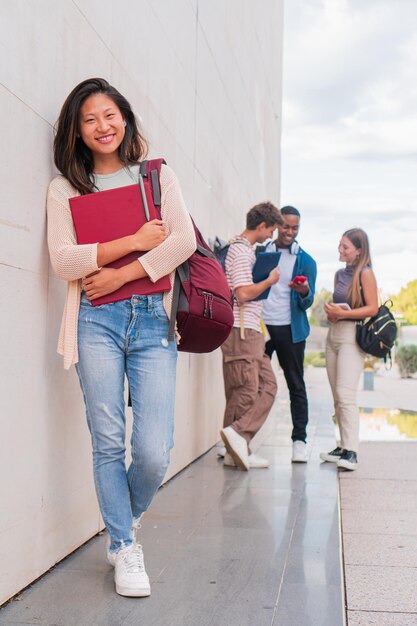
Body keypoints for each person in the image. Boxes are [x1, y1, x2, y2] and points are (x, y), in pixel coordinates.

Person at [46, 78, 196, 597]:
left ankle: (120, 526)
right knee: (108, 440)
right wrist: (130, 244)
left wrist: (122, 274)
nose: (103, 126)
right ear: (77, 130)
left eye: (110, 115)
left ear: (125, 118)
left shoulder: (156, 176)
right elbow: (63, 259)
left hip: (153, 319)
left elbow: (181, 241)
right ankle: (125, 547)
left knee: (154, 449)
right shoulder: (66, 189)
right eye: (90, 119)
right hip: (95, 322)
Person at [219, 202, 282, 471]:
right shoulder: (242, 252)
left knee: (266, 386)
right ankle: (237, 439)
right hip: (242, 329)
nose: (271, 236)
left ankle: (236, 443)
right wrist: (269, 281)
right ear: (261, 226)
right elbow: (243, 294)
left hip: (250, 330)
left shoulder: (242, 250)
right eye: (271, 231)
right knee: (245, 390)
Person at [262, 206, 317, 463]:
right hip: (262, 327)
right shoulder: (261, 252)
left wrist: (304, 291)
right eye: (285, 226)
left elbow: (308, 302)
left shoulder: (306, 261)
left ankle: (299, 441)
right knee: (249, 383)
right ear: (277, 224)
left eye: (295, 228)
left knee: (296, 384)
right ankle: (241, 436)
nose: (290, 232)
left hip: (289, 329)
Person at [320, 228, 378, 471]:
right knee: (336, 395)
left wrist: (343, 313)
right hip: (334, 334)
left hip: (352, 336)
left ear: (358, 250)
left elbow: (373, 308)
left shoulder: (365, 273)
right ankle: (342, 446)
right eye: (340, 245)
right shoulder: (339, 274)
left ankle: (352, 451)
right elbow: (342, 305)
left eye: (345, 247)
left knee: (346, 394)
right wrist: (333, 313)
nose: (340, 250)